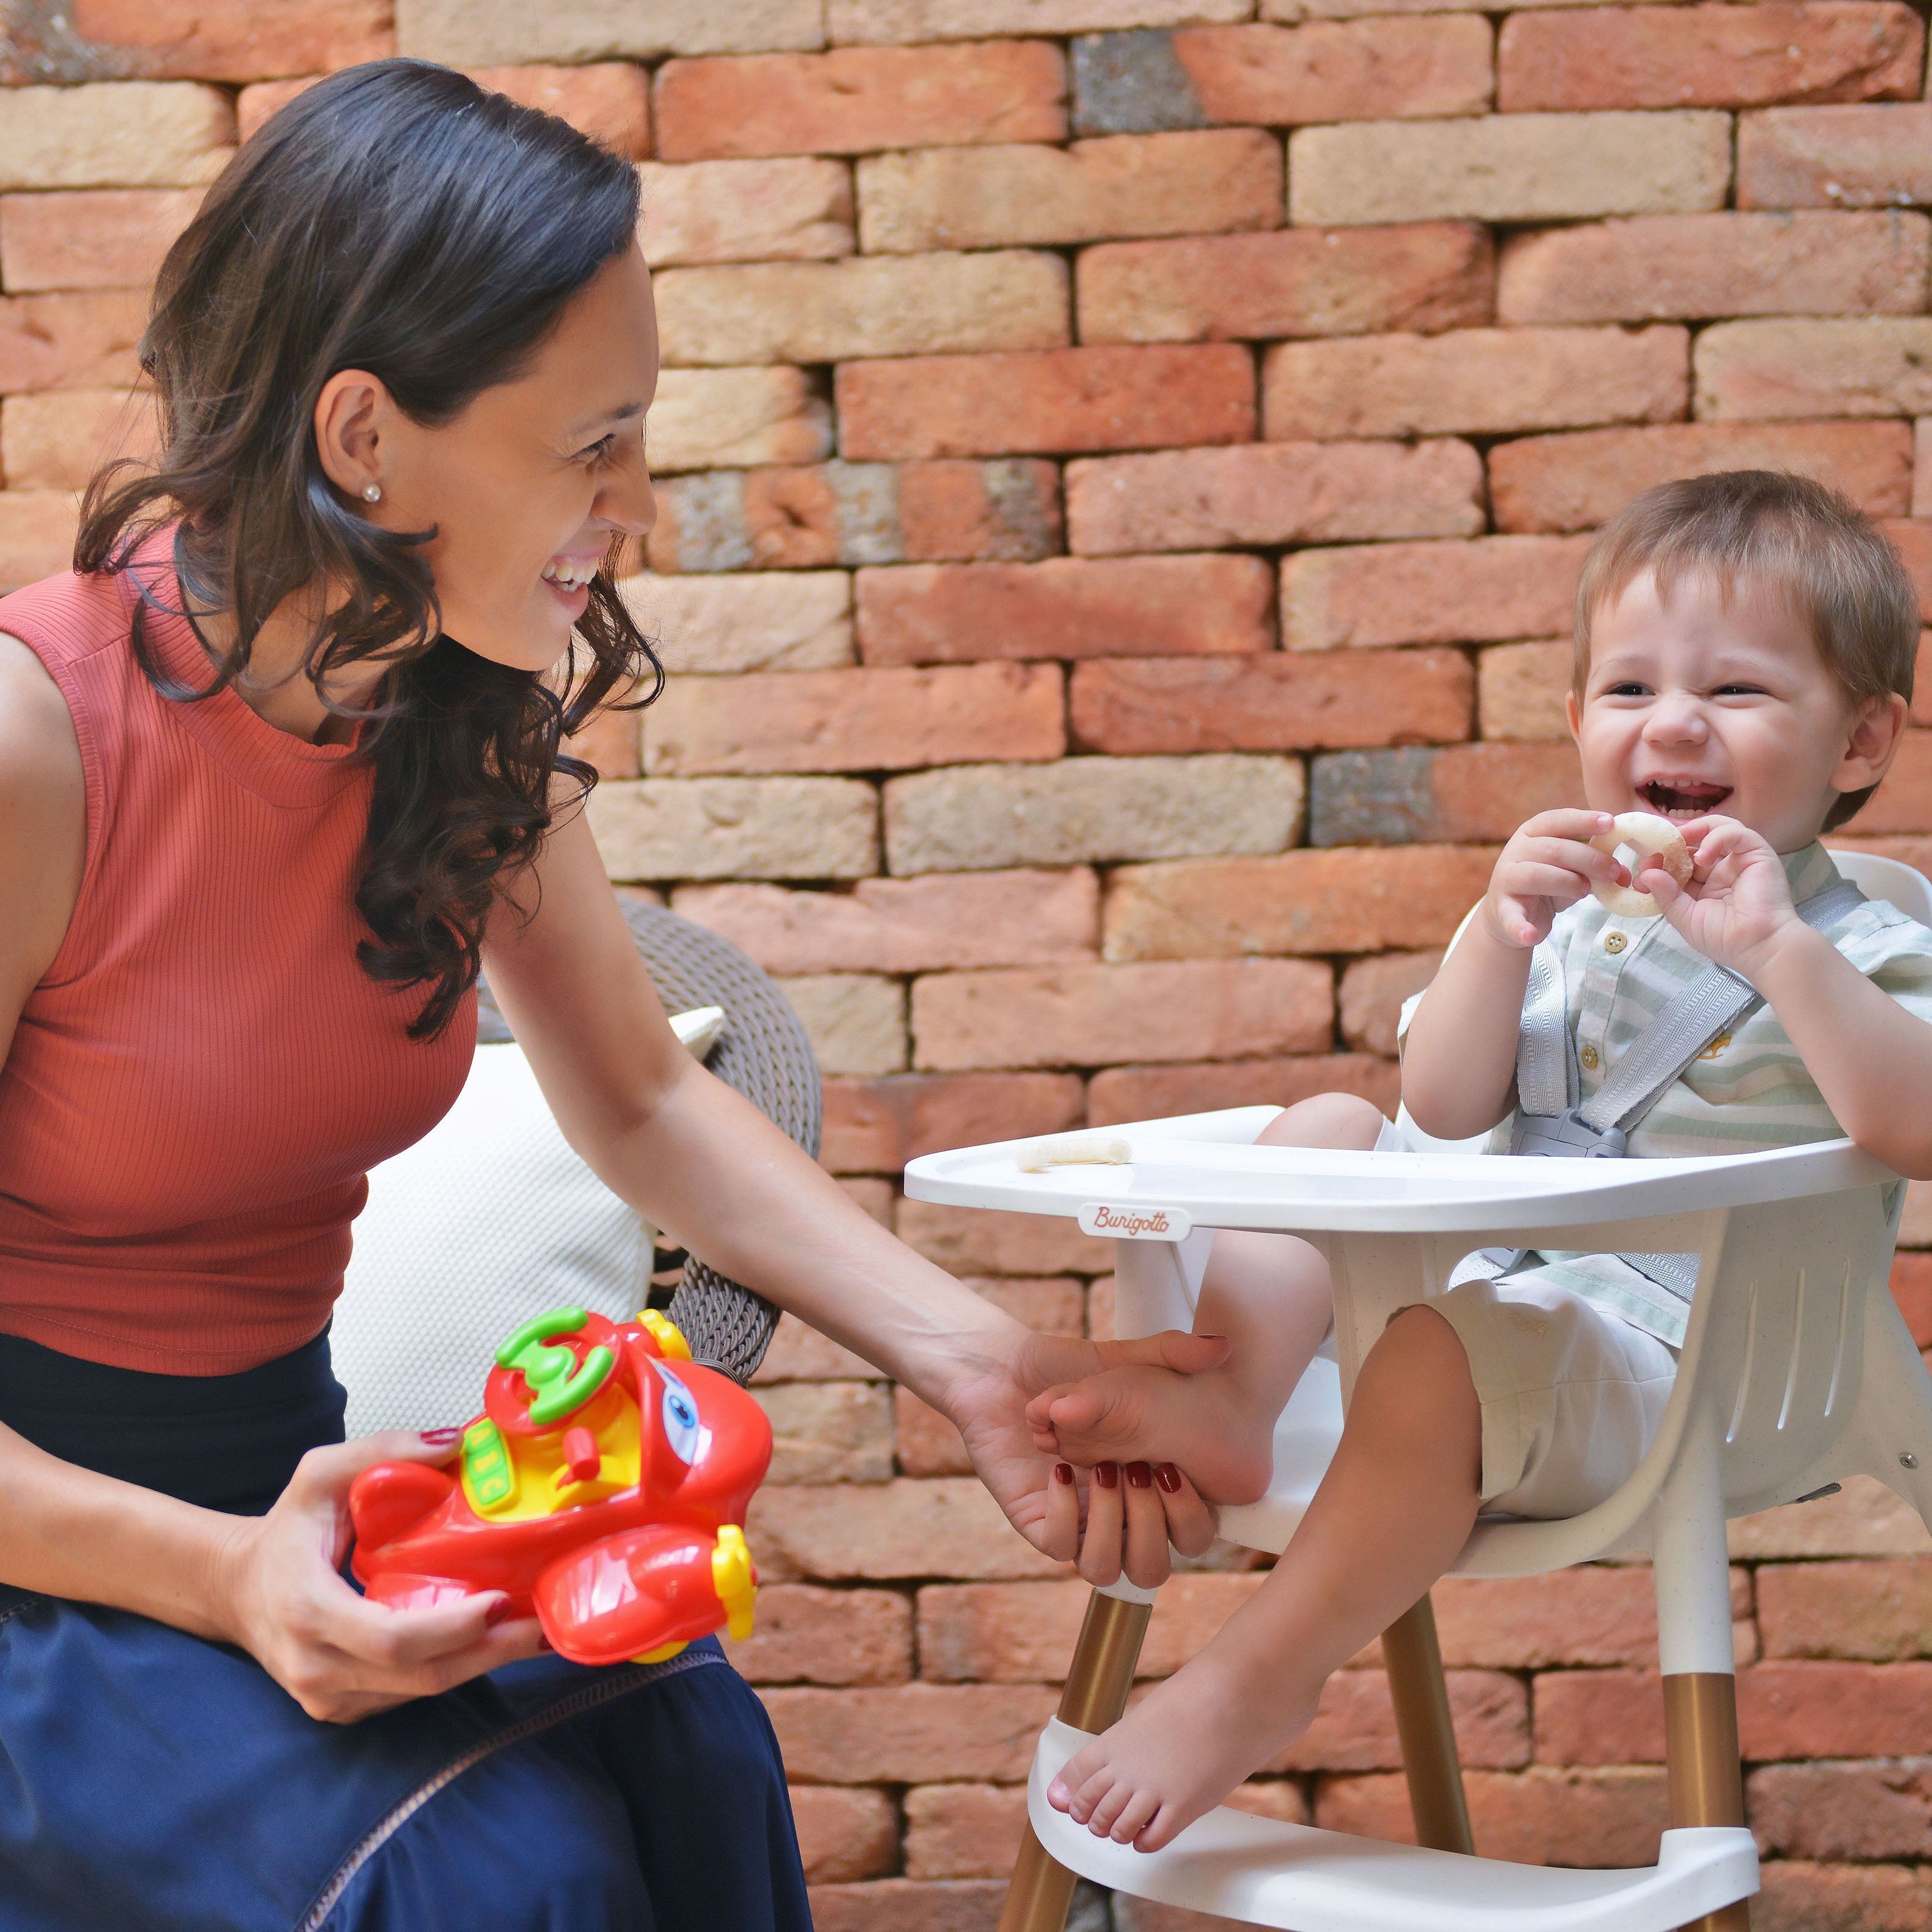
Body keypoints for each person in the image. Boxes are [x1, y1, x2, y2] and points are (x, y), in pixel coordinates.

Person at [0, 61, 1216, 1932]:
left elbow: (641, 1101)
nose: (638, 507)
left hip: (285, 1488)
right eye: (596, 445)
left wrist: (984, 1364)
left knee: (685, 1741)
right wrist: (229, 1579)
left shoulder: (452, 708)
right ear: (364, 437)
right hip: (42, 1569)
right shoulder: (34, 743)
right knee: (511, 1885)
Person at [1026, 470, 1932, 1854]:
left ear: (1859, 738)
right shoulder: (1565, 924)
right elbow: (1440, 1109)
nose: (1671, 722)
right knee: (1330, 1124)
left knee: (1446, 1347)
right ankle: (1230, 1403)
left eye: (1735, 692)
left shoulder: (1857, 949)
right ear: (1574, 722)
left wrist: (1772, 952)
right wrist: (1496, 936)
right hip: (1494, 1292)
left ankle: (1253, 1679)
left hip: (1692, 1359)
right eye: (1626, 688)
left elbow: (1910, 1125)